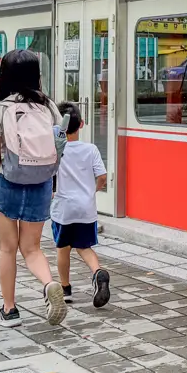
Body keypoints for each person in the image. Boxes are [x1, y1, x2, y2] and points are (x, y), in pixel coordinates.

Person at [0, 49, 66, 327]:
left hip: (6, 183)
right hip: (41, 182)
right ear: (36, 75)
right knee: (32, 248)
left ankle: (9, 310)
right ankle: (49, 284)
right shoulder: (49, 108)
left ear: (3, 76)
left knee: (7, 249)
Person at [51, 102, 112, 308]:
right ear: (82, 124)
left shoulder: (57, 150)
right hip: (86, 209)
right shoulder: (91, 149)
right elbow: (102, 176)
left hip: (64, 210)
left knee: (63, 249)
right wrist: (92, 191)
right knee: (84, 247)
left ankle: (66, 289)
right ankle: (98, 273)